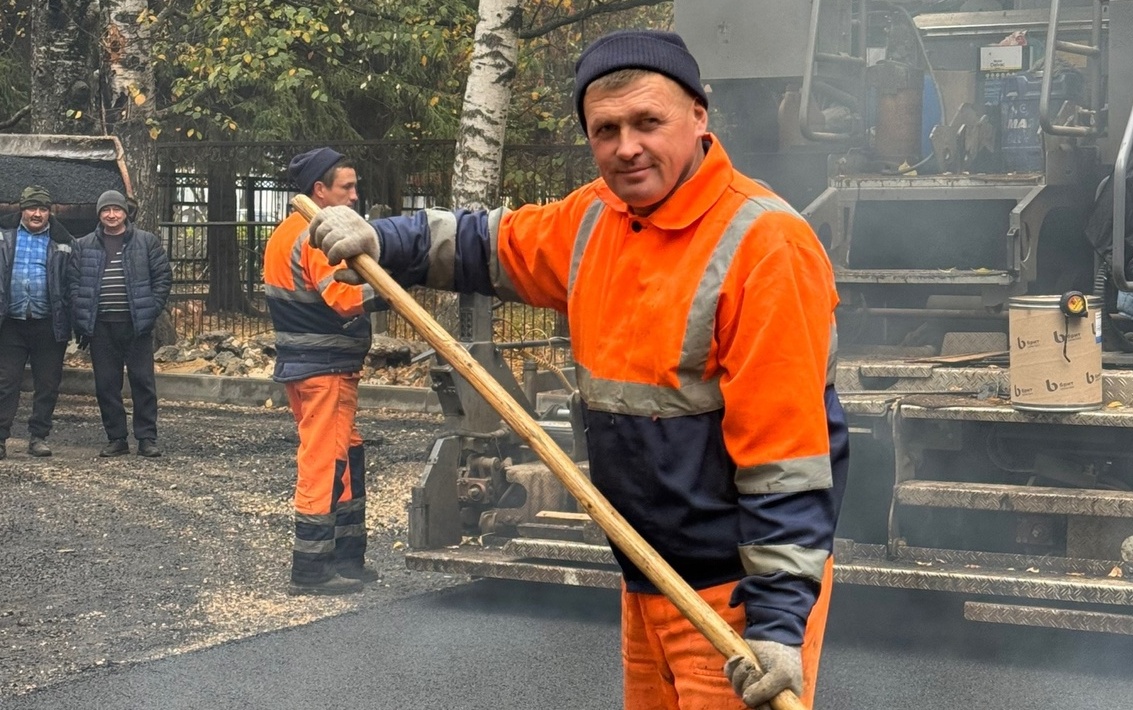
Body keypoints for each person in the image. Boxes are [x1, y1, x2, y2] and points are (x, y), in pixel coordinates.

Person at [308, 30, 850, 710]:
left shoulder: (766, 247)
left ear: (699, 116)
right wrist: (382, 238)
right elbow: (487, 244)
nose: (627, 146)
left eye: (648, 122)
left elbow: (787, 458)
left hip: (732, 600)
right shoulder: (595, 218)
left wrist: (776, 628)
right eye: (607, 129)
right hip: (650, 575)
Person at [263, 147, 387, 596]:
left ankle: (346, 558)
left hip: (311, 365)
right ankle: (312, 568)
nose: (354, 196)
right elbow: (345, 299)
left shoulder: (287, 232)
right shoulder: (318, 236)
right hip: (325, 368)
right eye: (346, 187)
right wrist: (390, 289)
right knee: (323, 462)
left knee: (345, 456)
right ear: (320, 190)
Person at [71, 190, 173, 457]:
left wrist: (151, 309)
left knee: (143, 382)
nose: (112, 215)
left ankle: (147, 438)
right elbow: (74, 284)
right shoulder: (83, 245)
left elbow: (162, 277)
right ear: (99, 214)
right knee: (106, 384)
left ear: (126, 213)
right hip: (101, 326)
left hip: (136, 324)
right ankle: (116, 438)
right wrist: (82, 318)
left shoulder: (146, 241)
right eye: (106, 210)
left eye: (117, 210)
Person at [0, 185, 76, 459]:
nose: (37, 213)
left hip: (48, 323)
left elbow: (73, 283)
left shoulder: (63, 240)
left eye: (43, 209)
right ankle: (0, 439)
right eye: (32, 208)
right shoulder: (3, 235)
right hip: (10, 323)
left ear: (49, 212)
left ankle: (38, 437)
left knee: (47, 384)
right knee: (6, 383)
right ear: (22, 209)